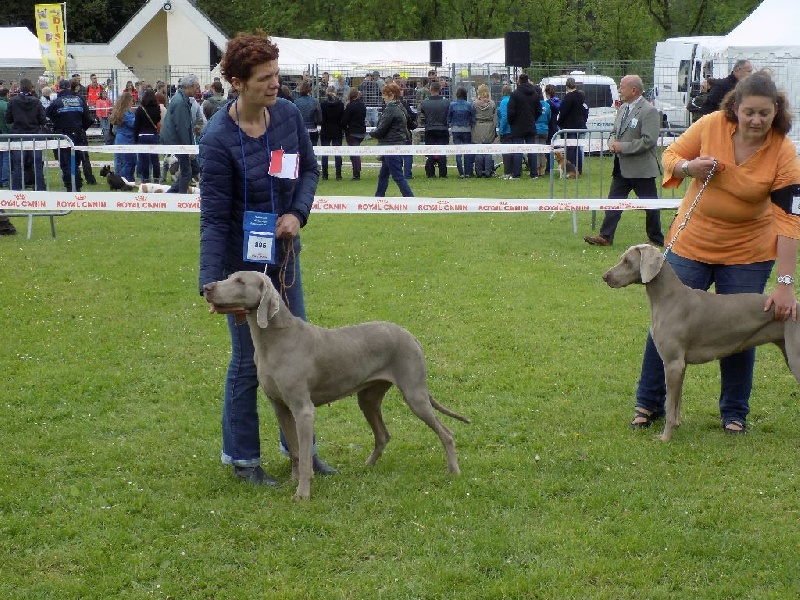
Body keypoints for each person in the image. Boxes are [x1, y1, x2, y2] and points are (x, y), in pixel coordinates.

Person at [198, 31, 335, 486]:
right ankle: (242, 460)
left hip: (284, 263)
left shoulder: (289, 118)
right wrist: (210, 281)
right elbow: (215, 219)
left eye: (277, 75)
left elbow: (309, 171)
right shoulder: (218, 139)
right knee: (247, 364)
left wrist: (297, 213)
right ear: (237, 82)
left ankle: (301, 453)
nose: (275, 84)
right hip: (244, 275)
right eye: (264, 78)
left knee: (297, 354)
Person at [629, 70, 800, 435]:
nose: (756, 120)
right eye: (749, 111)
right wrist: (689, 166)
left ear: (776, 112)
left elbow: (789, 221)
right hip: (693, 242)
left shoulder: (783, 151)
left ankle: (734, 413)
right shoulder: (709, 126)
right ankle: (648, 404)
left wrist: (785, 282)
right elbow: (671, 154)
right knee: (666, 325)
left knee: (743, 331)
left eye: (764, 113)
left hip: (748, 250)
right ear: (735, 107)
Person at [584, 75, 664, 248]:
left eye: (622, 87)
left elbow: (649, 140)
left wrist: (623, 147)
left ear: (633, 90)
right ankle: (605, 237)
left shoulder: (648, 111)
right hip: (621, 167)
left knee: (650, 206)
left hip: (641, 169)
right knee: (613, 202)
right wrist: (611, 143)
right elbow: (614, 131)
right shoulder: (622, 109)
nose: (619, 90)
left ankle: (656, 239)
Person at [46, 78, 94, 192]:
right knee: (75, 162)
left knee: (66, 162)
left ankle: (71, 187)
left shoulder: (57, 102)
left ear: (60, 89)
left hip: (63, 136)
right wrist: (81, 129)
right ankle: (77, 185)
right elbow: (88, 119)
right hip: (78, 135)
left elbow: (47, 115)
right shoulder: (79, 100)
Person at [372, 82, 414, 197]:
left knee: (397, 176)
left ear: (391, 95)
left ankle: (410, 197)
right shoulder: (401, 107)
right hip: (396, 143)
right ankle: (378, 197)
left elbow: (381, 130)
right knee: (383, 175)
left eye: (384, 94)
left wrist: (371, 133)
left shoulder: (390, 109)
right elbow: (412, 124)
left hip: (390, 145)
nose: (383, 97)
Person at [5, 78, 46, 191]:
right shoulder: (36, 101)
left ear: (20, 87)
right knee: (37, 164)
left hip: (18, 135)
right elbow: (43, 119)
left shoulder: (13, 101)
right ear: (30, 88)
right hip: (34, 135)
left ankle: (16, 189)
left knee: (18, 165)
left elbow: (8, 119)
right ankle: (40, 188)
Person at [161, 75, 199, 193]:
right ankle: (178, 198)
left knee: (192, 169)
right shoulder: (181, 103)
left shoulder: (180, 99)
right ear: (190, 87)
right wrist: (188, 149)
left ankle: (172, 194)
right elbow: (182, 128)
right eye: (196, 88)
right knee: (187, 172)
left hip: (176, 140)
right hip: (178, 142)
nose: (198, 91)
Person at [507, 73, 542, 179]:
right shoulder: (535, 95)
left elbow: (510, 112)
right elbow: (539, 110)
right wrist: (533, 119)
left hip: (517, 126)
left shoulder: (515, 94)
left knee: (518, 150)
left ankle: (517, 173)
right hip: (530, 125)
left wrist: (512, 122)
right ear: (528, 81)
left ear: (519, 81)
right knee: (532, 150)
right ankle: (534, 173)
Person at [557, 76, 588, 173]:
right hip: (579, 125)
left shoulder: (568, 97)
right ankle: (578, 169)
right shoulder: (580, 96)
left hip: (569, 126)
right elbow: (584, 110)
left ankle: (570, 170)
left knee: (570, 149)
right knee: (577, 148)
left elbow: (563, 112)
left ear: (566, 86)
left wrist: (559, 122)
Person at [420, 81, 449, 178]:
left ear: (430, 90)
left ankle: (430, 173)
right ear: (440, 90)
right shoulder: (446, 102)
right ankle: (443, 173)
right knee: (442, 152)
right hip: (443, 129)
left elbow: (422, 116)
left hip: (430, 129)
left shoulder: (424, 102)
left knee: (429, 151)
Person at [133, 89, 162, 184]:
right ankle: (157, 178)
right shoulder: (157, 108)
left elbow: (136, 125)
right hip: (153, 135)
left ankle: (146, 179)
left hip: (142, 135)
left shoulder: (140, 110)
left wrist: (135, 138)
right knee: (155, 159)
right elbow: (158, 120)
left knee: (144, 159)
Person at [448, 86, 476, 178]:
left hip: (456, 129)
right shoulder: (469, 105)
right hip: (467, 130)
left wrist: (452, 124)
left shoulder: (452, 105)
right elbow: (473, 118)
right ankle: (468, 172)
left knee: (458, 152)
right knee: (467, 151)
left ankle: (461, 172)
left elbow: (449, 117)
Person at [110, 92, 137, 181]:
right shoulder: (125, 113)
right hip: (125, 139)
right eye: (131, 101)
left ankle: (122, 178)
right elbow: (134, 124)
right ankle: (124, 179)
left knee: (124, 161)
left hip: (123, 138)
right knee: (126, 161)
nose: (132, 103)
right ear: (127, 101)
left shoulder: (123, 112)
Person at [319, 85, 344, 180]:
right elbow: (342, 117)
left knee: (325, 153)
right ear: (335, 93)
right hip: (337, 129)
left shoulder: (323, 104)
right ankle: (338, 174)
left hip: (325, 129)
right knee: (337, 153)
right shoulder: (340, 104)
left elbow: (321, 118)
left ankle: (325, 174)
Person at [340, 87, 366, 180]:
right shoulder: (362, 105)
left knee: (354, 154)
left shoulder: (350, 106)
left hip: (352, 132)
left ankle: (356, 173)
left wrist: (344, 129)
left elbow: (344, 120)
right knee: (356, 152)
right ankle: (357, 170)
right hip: (361, 131)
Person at [471, 84, 496, 178]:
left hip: (477, 127)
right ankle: (488, 171)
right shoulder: (492, 104)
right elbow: (493, 113)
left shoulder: (474, 104)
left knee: (479, 151)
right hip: (489, 126)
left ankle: (479, 172)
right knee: (488, 150)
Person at [293, 81, 321, 146]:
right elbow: (319, 117)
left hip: (300, 130)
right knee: (313, 151)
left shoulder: (296, 102)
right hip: (313, 130)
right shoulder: (315, 101)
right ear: (309, 89)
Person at [497, 84, 513, 178]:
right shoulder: (513, 100)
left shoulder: (503, 102)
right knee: (513, 152)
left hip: (506, 130)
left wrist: (501, 130)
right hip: (513, 129)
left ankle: (507, 172)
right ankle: (514, 171)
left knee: (506, 152)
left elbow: (504, 117)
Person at [544, 84, 561, 174]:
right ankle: (550, 167)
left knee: (547, 147)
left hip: (548, 126)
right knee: (552, 147)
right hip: (555, 126)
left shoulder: (547, 103)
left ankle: (548, 168)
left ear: (546, 92)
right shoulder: (557, 101)